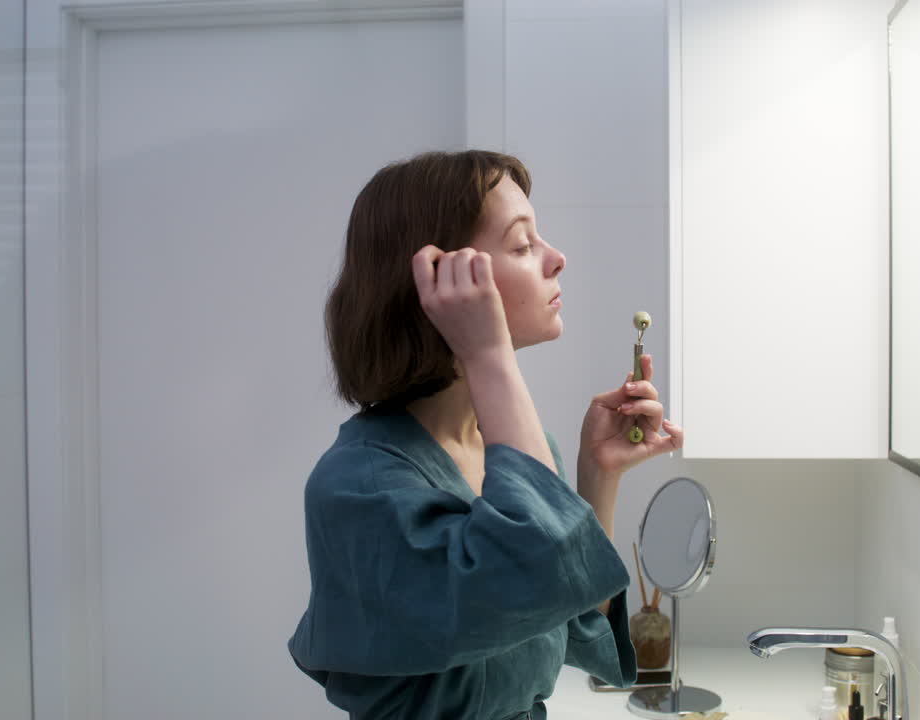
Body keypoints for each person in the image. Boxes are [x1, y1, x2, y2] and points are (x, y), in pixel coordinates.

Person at [287, 150, 684, 719]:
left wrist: (597, 474)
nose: (557, 258)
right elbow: (531, 569)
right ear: (440, 285)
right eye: (523, 245)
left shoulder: (524, 451)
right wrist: (488, 352)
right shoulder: (358, 487)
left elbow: (564, 612)